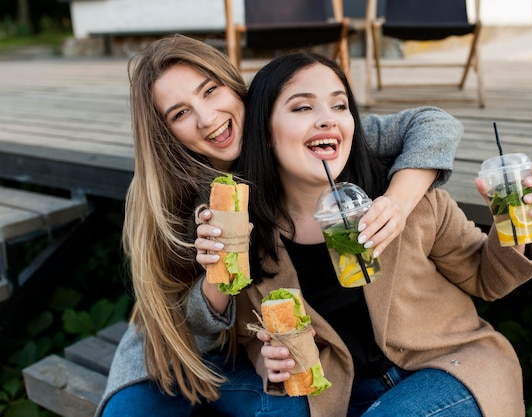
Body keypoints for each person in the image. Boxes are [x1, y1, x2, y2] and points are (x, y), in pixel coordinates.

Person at [97, 34, 464, 417]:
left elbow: (433, 124)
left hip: (261, 351)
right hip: (182, 343)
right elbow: (184, 324)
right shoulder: (168, 191)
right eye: (180, 113)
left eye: (210, 91)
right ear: (165, 132)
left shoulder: (291, 132)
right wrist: (216, 276)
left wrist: (399, 201)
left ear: (234, 85)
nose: (207, 119)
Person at [216, 52, 532, 417]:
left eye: (339, 105)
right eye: (302, 109)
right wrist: (270, 363)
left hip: (450, 368)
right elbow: (250, 335)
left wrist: (513, 222)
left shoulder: (408, 199)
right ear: (264, 133)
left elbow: (487, 280)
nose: (327, 119)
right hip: (344, 395)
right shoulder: (250, 234)